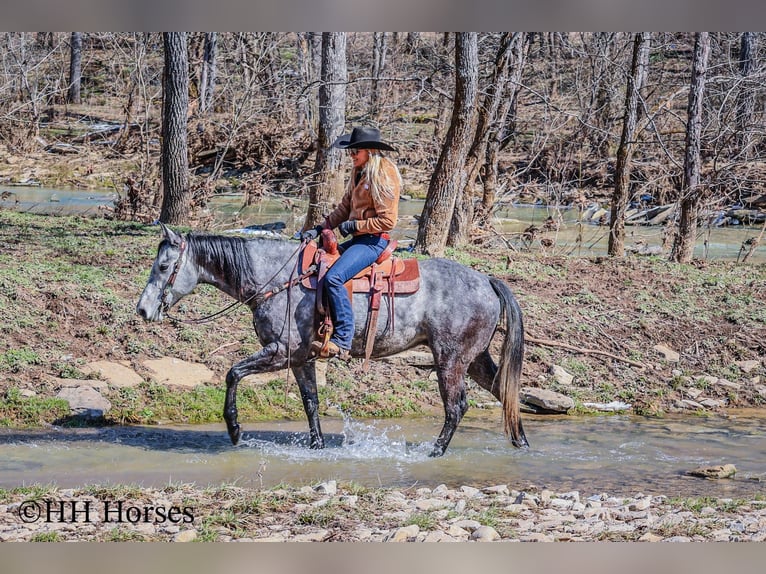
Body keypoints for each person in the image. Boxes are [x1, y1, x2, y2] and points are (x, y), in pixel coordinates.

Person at [302, 126, 402, 360]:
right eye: (351, 151)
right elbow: (344, 208)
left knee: (335, 277)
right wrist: (320, 228)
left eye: (355, 151)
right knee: (318, 266)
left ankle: (343, 339)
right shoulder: (359, 173)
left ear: (369, 151)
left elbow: (388, 220)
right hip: (360, 239)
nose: (351, 155)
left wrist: (356, 226)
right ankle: (321, 326)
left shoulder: (383, 176)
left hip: (373, 242)